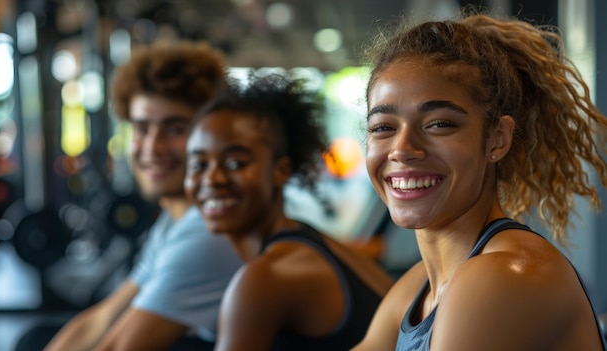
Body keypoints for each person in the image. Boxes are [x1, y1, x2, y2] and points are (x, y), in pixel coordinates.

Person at [352, 8, 607, 351]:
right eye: (383, 128)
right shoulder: (420, 285)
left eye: (439, 124)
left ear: (498, 138)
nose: (402, 149)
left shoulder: (503, 275)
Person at [35, 41, 244, 351]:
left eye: (174, 129)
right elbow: (102, 318)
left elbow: (115, 347)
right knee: (35, 339)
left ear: (209, 135)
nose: (153, 148)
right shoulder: (173, 224)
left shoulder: (208, 232)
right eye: (142, 128)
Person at [184, 73, 395, 351]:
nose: (213, 179)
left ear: (281, 171)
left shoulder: (267, 278)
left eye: (235, 163)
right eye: (199, 165)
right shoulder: (309, 242)